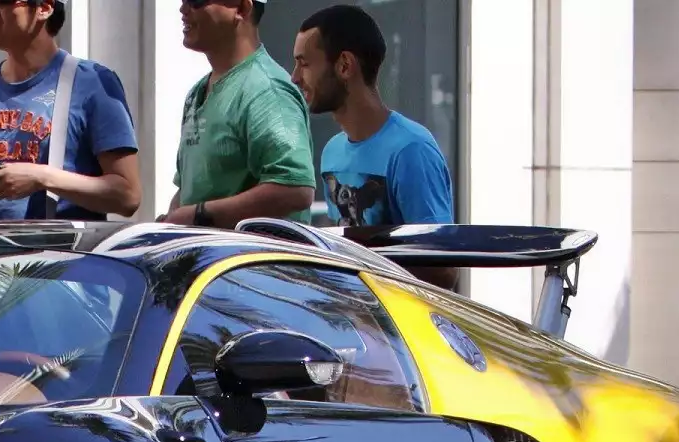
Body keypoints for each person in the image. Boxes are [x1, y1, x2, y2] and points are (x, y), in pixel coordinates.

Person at [0, 0, 141, 220]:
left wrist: (42, 177)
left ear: (44, 7)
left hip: (61, 244)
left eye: (2, 1)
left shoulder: (92, 83)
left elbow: (128, 196)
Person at [292, 4, 458, 288]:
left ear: (344, 65)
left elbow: (444, 271)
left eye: (304, 64)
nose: (295, 77)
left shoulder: (411, 150)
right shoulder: (332, 152)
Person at [161, 0, 316, 228]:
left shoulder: (266, 89)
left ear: (242, 9)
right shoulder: (196, 92)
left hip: (254, 253)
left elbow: (295, 189)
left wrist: (199, 215)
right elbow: (188, 193)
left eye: (196, 1)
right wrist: (171, 221)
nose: (183, 9)